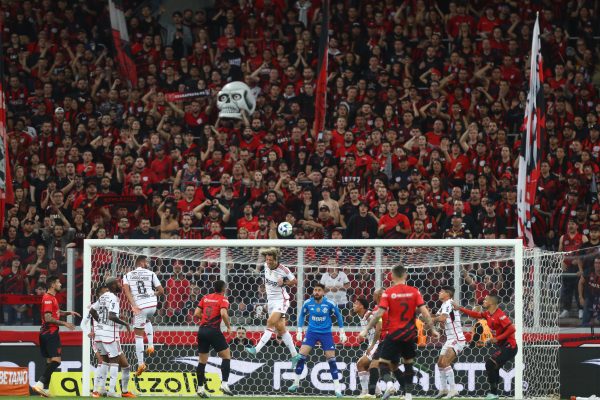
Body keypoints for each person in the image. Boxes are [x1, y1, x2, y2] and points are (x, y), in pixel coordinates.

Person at [360, 265, 439, 400]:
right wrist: (432, 329)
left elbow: (379, 313)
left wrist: (366, 329)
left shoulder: (389, 292)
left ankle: (390, 384)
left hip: (394, 334)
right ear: (406, 276)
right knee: (407, 365)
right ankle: (408, 395)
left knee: (383, 364)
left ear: (392, 276)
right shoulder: (414, 291)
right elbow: (425, 312)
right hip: (409, 335)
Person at [454, 295, 517, 400]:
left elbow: (512, 329)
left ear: (491, 303)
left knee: (490, 363)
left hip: (510, 346)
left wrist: (498, 338)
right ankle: (494, 393)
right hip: (503, 347)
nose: (483, 301)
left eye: (486, 300)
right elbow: (476, 314)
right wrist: (460, 308)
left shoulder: (500, 315)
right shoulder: (488, 314)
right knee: (493, 366)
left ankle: (493, 393)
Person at [289, 283, 347, 397]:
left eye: (319, 290)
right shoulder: (308, 303)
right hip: (311, 333)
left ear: (323, 292)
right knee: (301, 357)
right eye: (315, 290)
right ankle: (295, 383)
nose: (316, 292)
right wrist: (299, 330)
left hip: (326, 334)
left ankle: (337, 389)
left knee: (332, 361)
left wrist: (342, 332)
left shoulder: (330, 303)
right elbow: (302, 315)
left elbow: (339, 316)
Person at [246, 248, 299, 362]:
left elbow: (295, 281)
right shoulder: (265, 265)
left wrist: (284, 282)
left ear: (276, 260)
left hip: (281, 300)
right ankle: (295, 355)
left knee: (270, 323)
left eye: (270, 260)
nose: (268, 262)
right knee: (281, 329)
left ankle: (256, 349)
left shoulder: (283, 269)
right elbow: (262, 255)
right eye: (267, 259)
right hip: (270, 301)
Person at [32, 276, 80, 397]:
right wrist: (64, 323)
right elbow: (48, 318)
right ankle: (40, 383)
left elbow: (56, 312)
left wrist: (68, 313)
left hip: (45, 333)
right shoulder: (48, 298)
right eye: (58, 282)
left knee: (49, 362)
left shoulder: (51, 298)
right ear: (53, 285)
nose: (60, 284)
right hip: (50, 333)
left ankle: (45, 390)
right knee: (56, 361)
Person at [89, 277, 135, 398]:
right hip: (110, 334)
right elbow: (111, 316)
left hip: (100, 334)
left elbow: (92, 311)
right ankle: (111, 391)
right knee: (114, 361)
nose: (120, 285)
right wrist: (125, 324)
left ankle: (101, 389)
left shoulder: (103, 297)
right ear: (113, 285)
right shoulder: (113, 298)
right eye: (118, 283)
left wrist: (100, 323)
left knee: (104, 361)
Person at [122, 255, 164, 376]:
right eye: (146, 262)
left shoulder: (127, 275)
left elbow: (126, 291)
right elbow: (161, 291)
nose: (148, 264)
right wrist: (152, 294)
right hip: (152, 305)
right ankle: (150, 345)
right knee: (147, 320)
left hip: (140, 307)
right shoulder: (151, 273)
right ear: (141, 262)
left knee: (138, 336)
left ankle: (141, 364)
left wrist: (133, 305)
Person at [193, 280, 234, 397]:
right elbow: (223, 314)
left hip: (202, 330)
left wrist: (206, 319)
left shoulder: (205, 297)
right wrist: (228, 327)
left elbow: (196, 313)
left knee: (202, 361)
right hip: (213, 330)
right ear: (223, 289)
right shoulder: (223, 299)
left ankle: (200, 389)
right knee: (226, 356)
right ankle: (224, 384)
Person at [434, 286, 465, 399]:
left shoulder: (449, 303)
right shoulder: (444, 305)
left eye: (441, 291)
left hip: (457, 339)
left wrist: (431, 320)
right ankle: (443, 389)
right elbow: (439, 318)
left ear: (447, 293)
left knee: (446, 362)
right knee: (440, 363)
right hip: (450, 339)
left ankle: (453, 391)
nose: (439, 292)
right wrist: (426, 316)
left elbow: (441, 319)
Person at [80, 284, 109, 397]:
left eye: (107, 292)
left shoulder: (111, 305)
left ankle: (101, 388)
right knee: (102, 361)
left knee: (106, 363)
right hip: (97, 338)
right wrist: (88, 332)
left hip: (108, 337)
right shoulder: (92, 307)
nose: (106, 294)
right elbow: (83, 324)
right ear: (98, 295)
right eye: (103, 292)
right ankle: (96, 390)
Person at [353, 297, 381, 398]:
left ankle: (365, 392)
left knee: (360, 364)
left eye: (356, 303)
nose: (354, 305)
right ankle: (377, 392)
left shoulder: (370, 315)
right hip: (371, 343)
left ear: (362, 306)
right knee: (365, 367)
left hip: (377, 343)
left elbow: (379, 329)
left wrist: (373, 344)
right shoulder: (361, 317)